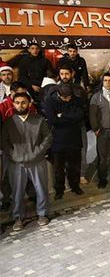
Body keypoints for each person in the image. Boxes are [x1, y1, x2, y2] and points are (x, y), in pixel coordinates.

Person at [1, 92, 52, 231]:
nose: (20, 105)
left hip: (37, 161)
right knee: (17, 191)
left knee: (41, 189)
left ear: (29, 103)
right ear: (13, 104)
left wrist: (38, 152)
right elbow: (4, 142)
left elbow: (47, 138)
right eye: (17, 103)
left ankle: (42, 214)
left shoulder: (39, 120)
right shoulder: (8, 122)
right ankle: (18, 218)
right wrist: (13, 155)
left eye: (23, 102)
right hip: (16, 163)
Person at [43, 84, 85, 199]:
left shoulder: (76, 100)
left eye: (69, 97)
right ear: (59, 95)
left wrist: (62, 115)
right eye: (65, 98)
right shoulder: (50, 102)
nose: (68, 100)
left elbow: (80, 115)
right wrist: (69, 118)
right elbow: (53, 120)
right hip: (58, 140)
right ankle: (59, 190)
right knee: (58, 169)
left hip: (75, 139)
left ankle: (75, 186)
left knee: (75, 166)